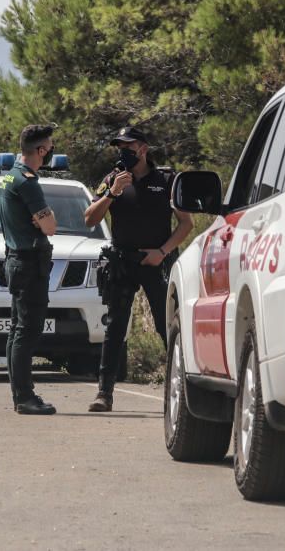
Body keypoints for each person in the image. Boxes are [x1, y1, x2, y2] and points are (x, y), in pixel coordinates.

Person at [83, 126, 193, 412]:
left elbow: (186, 223)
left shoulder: (167, 180)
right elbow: (90, 219)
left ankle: (181, 390)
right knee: (115, 327)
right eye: (119, 147)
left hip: (156, 262)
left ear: (143, 149)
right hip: (123, 262)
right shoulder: (112, 179)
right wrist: (112, 193)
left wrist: (162, 252)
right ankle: (104, 393)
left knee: (166, 326)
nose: (123, 152)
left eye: (128, 147)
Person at [0, 124, 58, 415]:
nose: (50, 152)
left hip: (16, 259)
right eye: (49, 147)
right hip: (29, 262)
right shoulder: (26, 182)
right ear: (41, 150)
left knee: (16, 330)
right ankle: (24, 396)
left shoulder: (9, 175)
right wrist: (46, 220)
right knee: (27, 331)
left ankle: (19, 393)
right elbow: (50, 226)